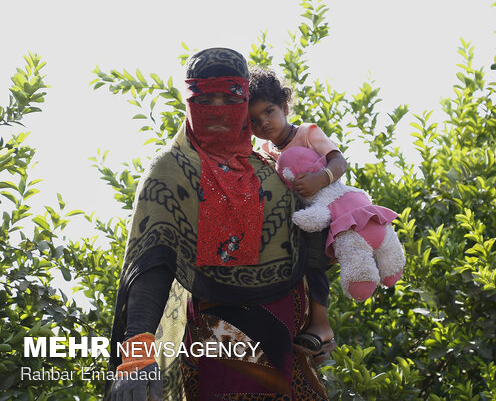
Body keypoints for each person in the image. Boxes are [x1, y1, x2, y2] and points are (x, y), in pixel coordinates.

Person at [105, 48, 332, 401]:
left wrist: (321, 321)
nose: (216, 109)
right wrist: (136, 358)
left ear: (245, 103)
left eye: (228, 98)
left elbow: (313, 240)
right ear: (188, 102)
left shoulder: (272, 171)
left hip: (288, 335)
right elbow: (152, 266)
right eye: (204, 98)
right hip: (217, 333)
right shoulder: (173, 168)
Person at [248, 67, 348, 354]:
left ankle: (322, 324)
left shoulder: (307, 133)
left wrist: (320, 179)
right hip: (297, 218)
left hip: (326, 209)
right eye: (254, 120)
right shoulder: (266, 152)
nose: (264, 122)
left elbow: (340, 162)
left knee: (312, 263)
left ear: (284, 106)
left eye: (269, 111)